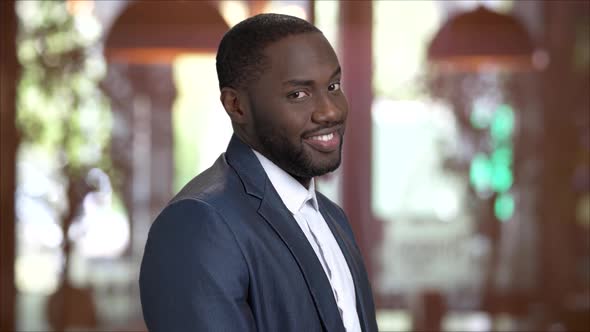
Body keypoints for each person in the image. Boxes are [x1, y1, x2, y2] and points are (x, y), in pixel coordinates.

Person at [139, 13, 378, 332]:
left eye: (333, 86)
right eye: (298, 94)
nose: (331, 110)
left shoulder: (332, 219)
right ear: (237, 106)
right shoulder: (198, 225)